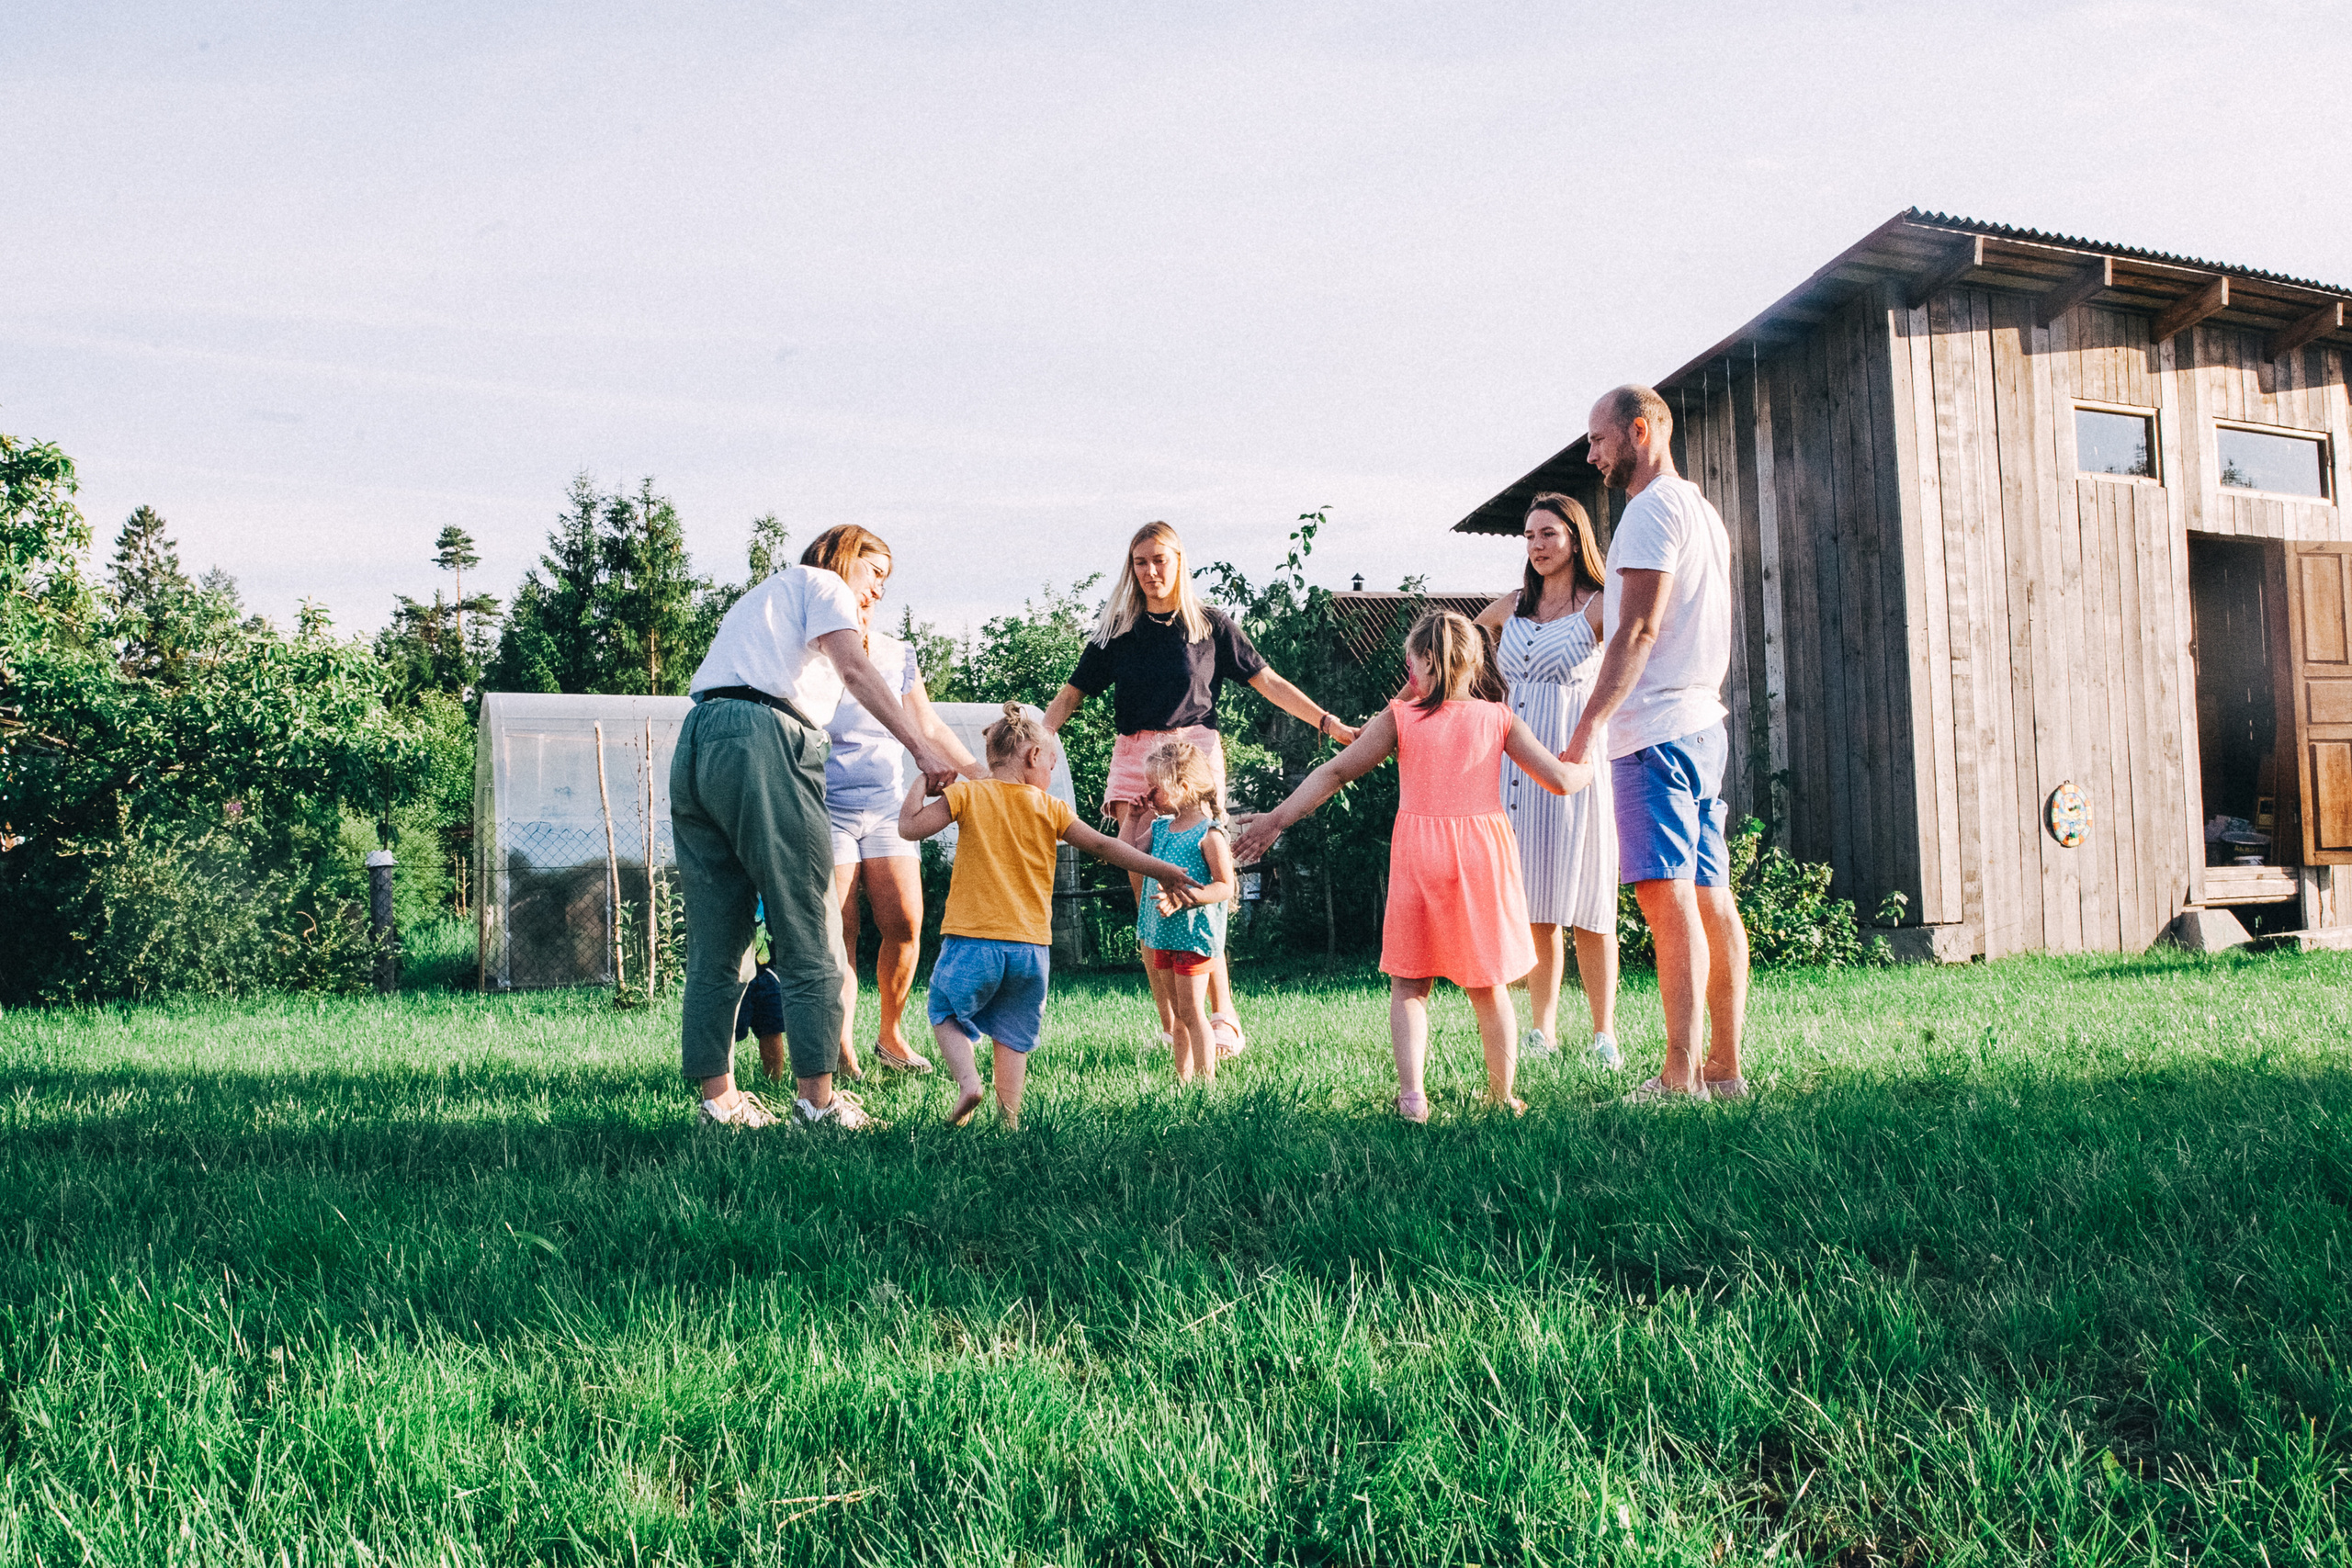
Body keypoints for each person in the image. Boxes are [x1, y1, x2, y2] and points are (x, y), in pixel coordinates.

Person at [1235, 611, 1592, 1122]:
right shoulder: (1499, 717)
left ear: (1413, 664)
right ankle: (1501, 1096)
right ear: (1474, 662)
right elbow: (1558, 778)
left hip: (1419, 852)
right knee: (1489, 985)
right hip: (1480, 854)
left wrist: (1277, 819)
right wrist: (1587, 767)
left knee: (1409, 982)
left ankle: (1412, 1098)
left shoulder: (1401, 718)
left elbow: (1335, 771)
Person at [672, 524, 959, 1130]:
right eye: (874, 574)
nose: (876, 592)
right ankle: (818, 1101)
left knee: (719, 935)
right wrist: (922, 752)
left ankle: (717, 1101)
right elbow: (854, 669)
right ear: (844, 558)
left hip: (699, 737)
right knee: (812, 923)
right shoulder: (826, 585)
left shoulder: (764, 599)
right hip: (765, 739)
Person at [1041, 521, 1359, 1058]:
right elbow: (1071, 695)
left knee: (1205, 886)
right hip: (1135, 759)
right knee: (1148, 897)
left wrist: (1328, 724)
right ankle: (1172, 1026)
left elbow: (1270, 682)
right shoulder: (1115, 630)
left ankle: (1223, 1016)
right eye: (1141, 562)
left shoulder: (1211, 626)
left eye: (1160, 560)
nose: (1150, 571)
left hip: (1194, 757)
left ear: (1180, 560)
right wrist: (1033, 743)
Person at [1564, 385, 1753, 1102]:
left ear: (1639, 431)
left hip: (1657, 734)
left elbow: (1636, 633)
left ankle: (1679, 1075)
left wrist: (1586, 733)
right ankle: (1724, 1070)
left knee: (1664, 898)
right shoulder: (1703, 514)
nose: (1592, 454)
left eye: (1599, 439)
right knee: (1710, 896)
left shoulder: (1648, 512)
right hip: (1704, 725)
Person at [899, 704, 1201, 1129]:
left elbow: (909, 829)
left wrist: (922, 782)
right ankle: (1010, 1120)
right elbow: (1104, 847)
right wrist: (1163, 869)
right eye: (1051, 763)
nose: (1050, 772)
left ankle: (968, 1083)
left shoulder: (967, 794)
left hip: (973, 939)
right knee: (1013, 1036)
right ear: (1033, 758)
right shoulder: (1051, 807)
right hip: (1030, 949)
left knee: (944, 1012)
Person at [1474, 493, 1622, 1071]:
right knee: (1536, 903)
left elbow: (1639, 649)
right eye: (1530, 536)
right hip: (1516, 762)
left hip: (1575, 756)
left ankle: (1604, 1034)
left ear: (1575, 539)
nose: (1537, 546)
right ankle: (1542, 1030)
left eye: (1549, 535)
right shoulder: (1512, 605)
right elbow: (1465, 642)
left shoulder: (1599, 606)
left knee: (1588, 902)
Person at [822, 582, 981, 1079]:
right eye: (866, 577)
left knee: (906, 924)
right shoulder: (819, 651)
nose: (873, 591)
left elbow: (929, 727)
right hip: (827, 807)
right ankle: (840, 1046)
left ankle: (890, 1035)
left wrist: (985, 779)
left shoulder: (897, 653)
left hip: (888, 806)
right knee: (840, 933)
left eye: (882, 580)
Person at [1134, 739, 1237, 1086]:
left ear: (1184, 788)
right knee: (1178, 1014)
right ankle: (1183, 1080)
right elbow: (1127, 852)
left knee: (1193, 1013)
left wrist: (1186, 898)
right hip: (1162, 934)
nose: (1149, 794)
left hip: (1192, 936)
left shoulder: (1209, 835)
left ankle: (1206, 1082)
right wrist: (1134, 818)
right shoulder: (1160, 826)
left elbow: (1225, 886)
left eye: (1156, 787)